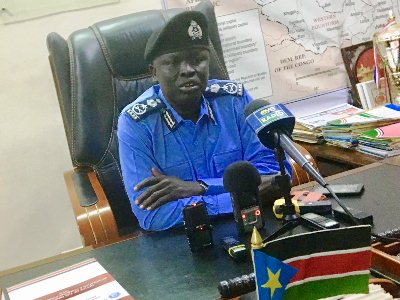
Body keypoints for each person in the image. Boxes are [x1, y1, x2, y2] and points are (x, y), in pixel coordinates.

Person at [117, 10, 292, 231]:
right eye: (173, 63)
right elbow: (153, 216)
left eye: (198, 60)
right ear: (153, 72)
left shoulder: (235, 101)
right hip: (185, 241)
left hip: (255, 225)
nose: (188, 70)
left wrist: (199, 188)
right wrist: (238, 198)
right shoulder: (136, 122)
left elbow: (276, 179)